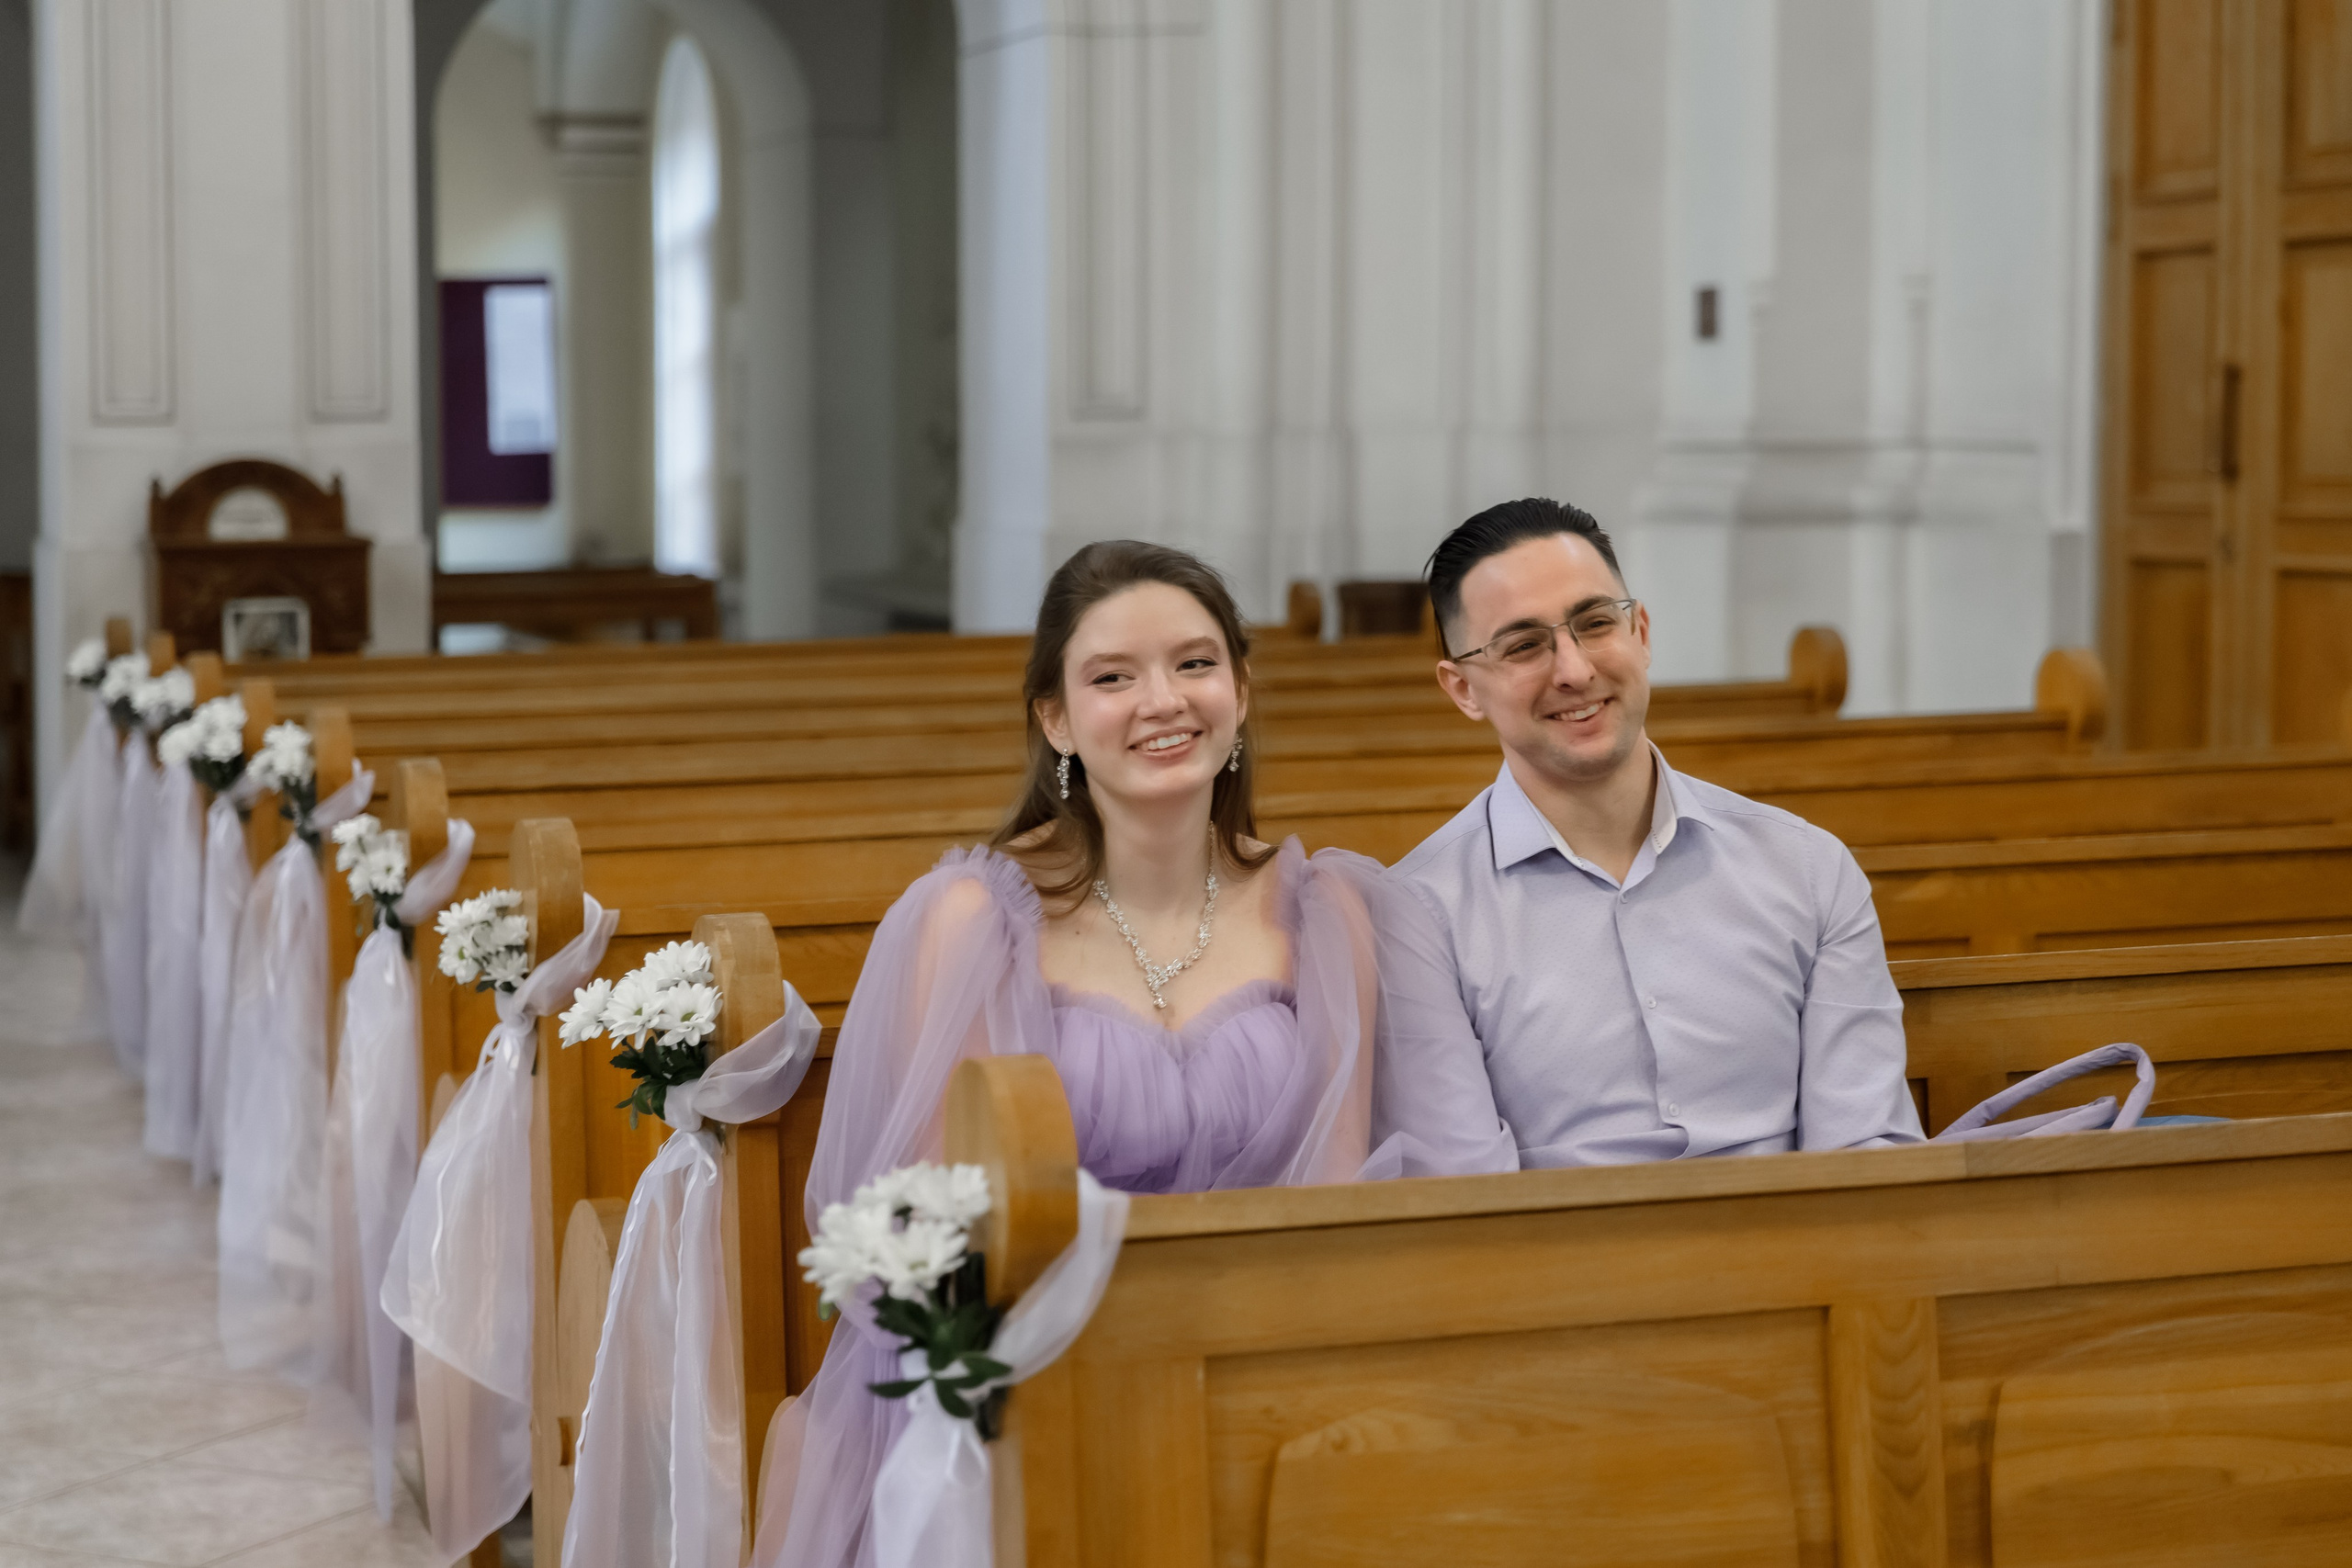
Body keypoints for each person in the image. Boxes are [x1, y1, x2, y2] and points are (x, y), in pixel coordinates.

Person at [757, 540, 1513, 1568]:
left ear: (1241, 691)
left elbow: (1335, 1194)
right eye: (1113, 676)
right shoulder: (975, 921)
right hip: (1033, 1386)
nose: (1163, 700)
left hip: (1265, 1381)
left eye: (1195, 665)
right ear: (1057, 719)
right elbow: (942, 1234)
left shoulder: (1329, 913)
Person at [1395, 498, 1925, 1168]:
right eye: (1525, 645)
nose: (1575, 669)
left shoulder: (1808, 867)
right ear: (1462, 688)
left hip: (1802, 1260)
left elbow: (1865, 1152)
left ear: (1640, 632)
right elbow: (1464, 1195)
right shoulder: (1415, 914)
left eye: (1595, 623)